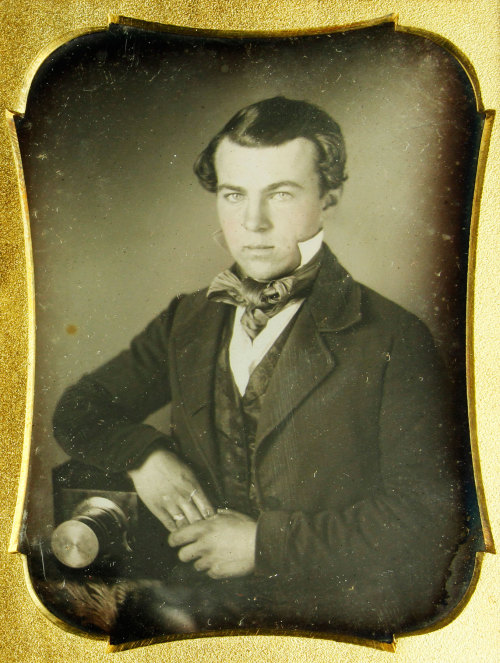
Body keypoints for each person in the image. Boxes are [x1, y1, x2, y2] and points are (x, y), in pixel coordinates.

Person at [53, 97, 467, 640]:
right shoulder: (189, 319)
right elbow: (77, 411)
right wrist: (143, 455)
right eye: (234, 195)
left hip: (334, 628)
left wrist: (261, 546)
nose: (253, 222)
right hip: (194, 622)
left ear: (328, 198)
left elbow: (426, 522)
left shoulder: (392, 338)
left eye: (281, 193)